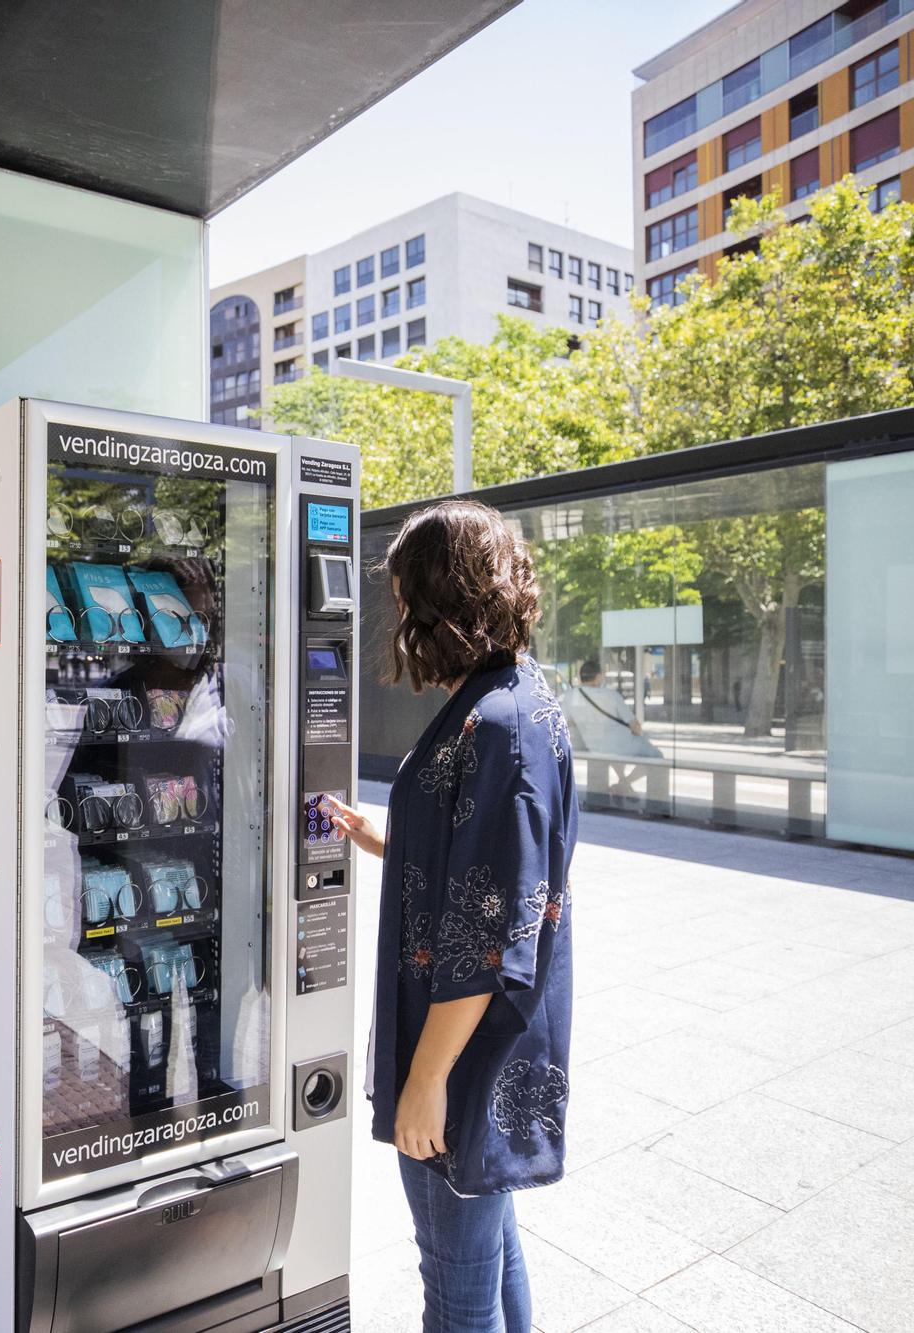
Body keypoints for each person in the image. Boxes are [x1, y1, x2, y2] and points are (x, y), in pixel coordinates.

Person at [322, 500, 576, 1333]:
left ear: (439, 597)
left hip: (465, 1056)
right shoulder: (506, 696)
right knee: (490, 1248)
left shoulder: (499, 723)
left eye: (404, 598)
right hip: (482, 1046)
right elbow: (486, 866)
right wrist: (381, 837)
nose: (400, 618)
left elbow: (490, 939)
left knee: (456, 1285)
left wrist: (425, 1083)